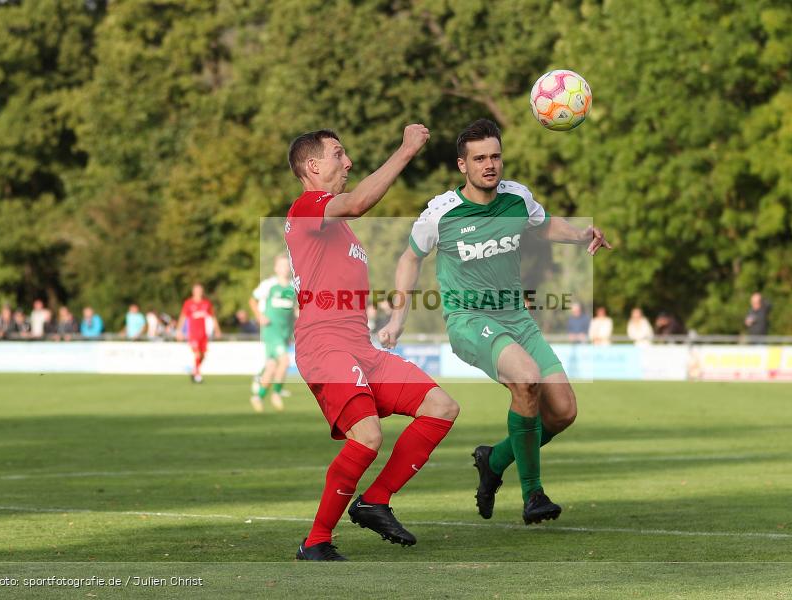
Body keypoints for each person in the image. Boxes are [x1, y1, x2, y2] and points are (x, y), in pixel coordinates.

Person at [381, 119, 610, 527]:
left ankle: (494, 460)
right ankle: (533, 494)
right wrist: (398, 317)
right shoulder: (441, 213)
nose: (489, 165)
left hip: (517, 318)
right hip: (469, 320)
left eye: (495, 156)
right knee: (526, 378)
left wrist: (581, 234)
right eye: (479, 158)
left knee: (562, 412)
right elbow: (410, 258)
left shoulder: (517, 198)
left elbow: (544, 224)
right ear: (462, 165)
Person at [285, 124, 458, 561]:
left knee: (441, 406)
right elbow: (360, 202)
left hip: (361, 348)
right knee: (367, 435)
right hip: (324, 347)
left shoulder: (337, 228)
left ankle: (374, 501)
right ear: (312, 166)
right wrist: (406, 149)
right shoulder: (307, 206)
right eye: (338, 154)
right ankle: (316, 542)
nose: (348, 162)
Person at [248, 255, 296, 412]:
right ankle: (276, 393)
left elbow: (295, 310)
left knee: (271, 367)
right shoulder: (269, 285)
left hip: (285, 333)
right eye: (281, 265)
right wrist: (259, 316)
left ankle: (258, 397)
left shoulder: (293, 287)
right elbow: (252, 300)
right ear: (276, 268)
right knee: (285, 361)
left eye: (287, 265)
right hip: (271, 331)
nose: (284, 268)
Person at [177, 284, 221, 383]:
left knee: (203, 356)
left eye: (200, 290)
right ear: (193, 292)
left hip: (203, 334)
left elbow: (213, 317)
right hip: (193, 334)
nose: (198, 292)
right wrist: (179, 331)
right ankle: (197, 375)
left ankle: (194, 371)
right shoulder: (188, 303)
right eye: (196, 290)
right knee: (197, 354)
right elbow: (183, 317)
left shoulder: (207, 303)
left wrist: (217, 330)